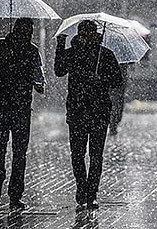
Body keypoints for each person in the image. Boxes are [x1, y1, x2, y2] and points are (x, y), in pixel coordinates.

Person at [54, 20, 123, 210]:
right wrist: (60, 46)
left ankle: (92, 193)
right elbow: (59, 71)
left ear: (95, 34)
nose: (87, 37)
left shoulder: (105, 55)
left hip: (99, 111)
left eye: (90, 33)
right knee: (77, 154)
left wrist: (101, 79)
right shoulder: (73, 52)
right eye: (84, 33)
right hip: (77, 110)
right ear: (80, 34)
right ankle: (81, 187)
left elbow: (117, 80)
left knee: (95, 155)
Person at [0, 17, 45, 211]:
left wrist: (35, 82)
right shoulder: (0, 48)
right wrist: (2, 66)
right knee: (10, 150)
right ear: (16, 30)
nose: (27, 36)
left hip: (15, 108)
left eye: (29, 33)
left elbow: (39, 81)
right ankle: (3, 185)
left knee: (10, 150)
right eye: (25, 32)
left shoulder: (30, 51)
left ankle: (11, 191)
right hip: (10, 108)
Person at [109, 63, 128, 135]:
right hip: (115, 88)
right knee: (116, 106)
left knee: (117, 106)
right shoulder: (123, 62)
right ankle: (113, 123)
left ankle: (113, 123)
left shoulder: (123, 64)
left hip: (118, 88)